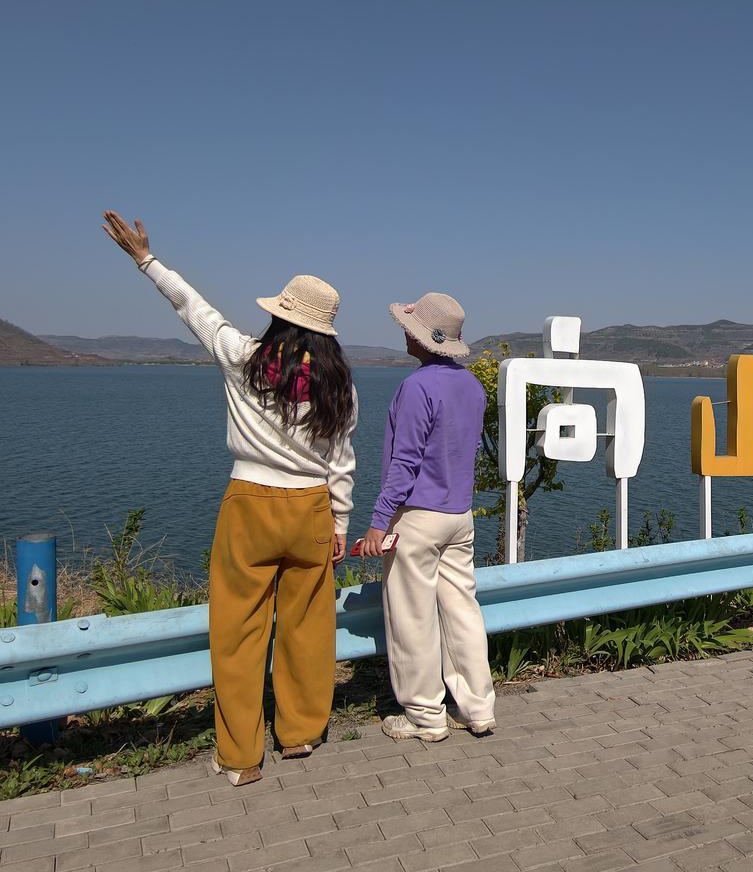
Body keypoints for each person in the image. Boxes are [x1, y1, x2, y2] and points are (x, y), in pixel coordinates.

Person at [101, 211, 357, 786]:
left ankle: (241, 756)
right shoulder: (339, 385)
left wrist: (146, 260)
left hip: (250, 505)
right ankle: (299, 734)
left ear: (277, 318)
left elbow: (193, 308)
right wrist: (340, 521)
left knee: (239, 632)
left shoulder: (244, 359)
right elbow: (342, 461)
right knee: (307, 627)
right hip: (312, 510)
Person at [359, 291, 494, 742]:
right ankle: (478, 708)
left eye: (410, 329)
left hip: (417, 518)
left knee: (413, 618)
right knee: (462, 613)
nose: (404, 333)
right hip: (459, 515)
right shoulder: (471, 386)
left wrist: (380, 520)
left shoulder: (417, 387)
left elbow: (405, 464)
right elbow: (467, 451)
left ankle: (426, 716)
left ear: (424, 340)